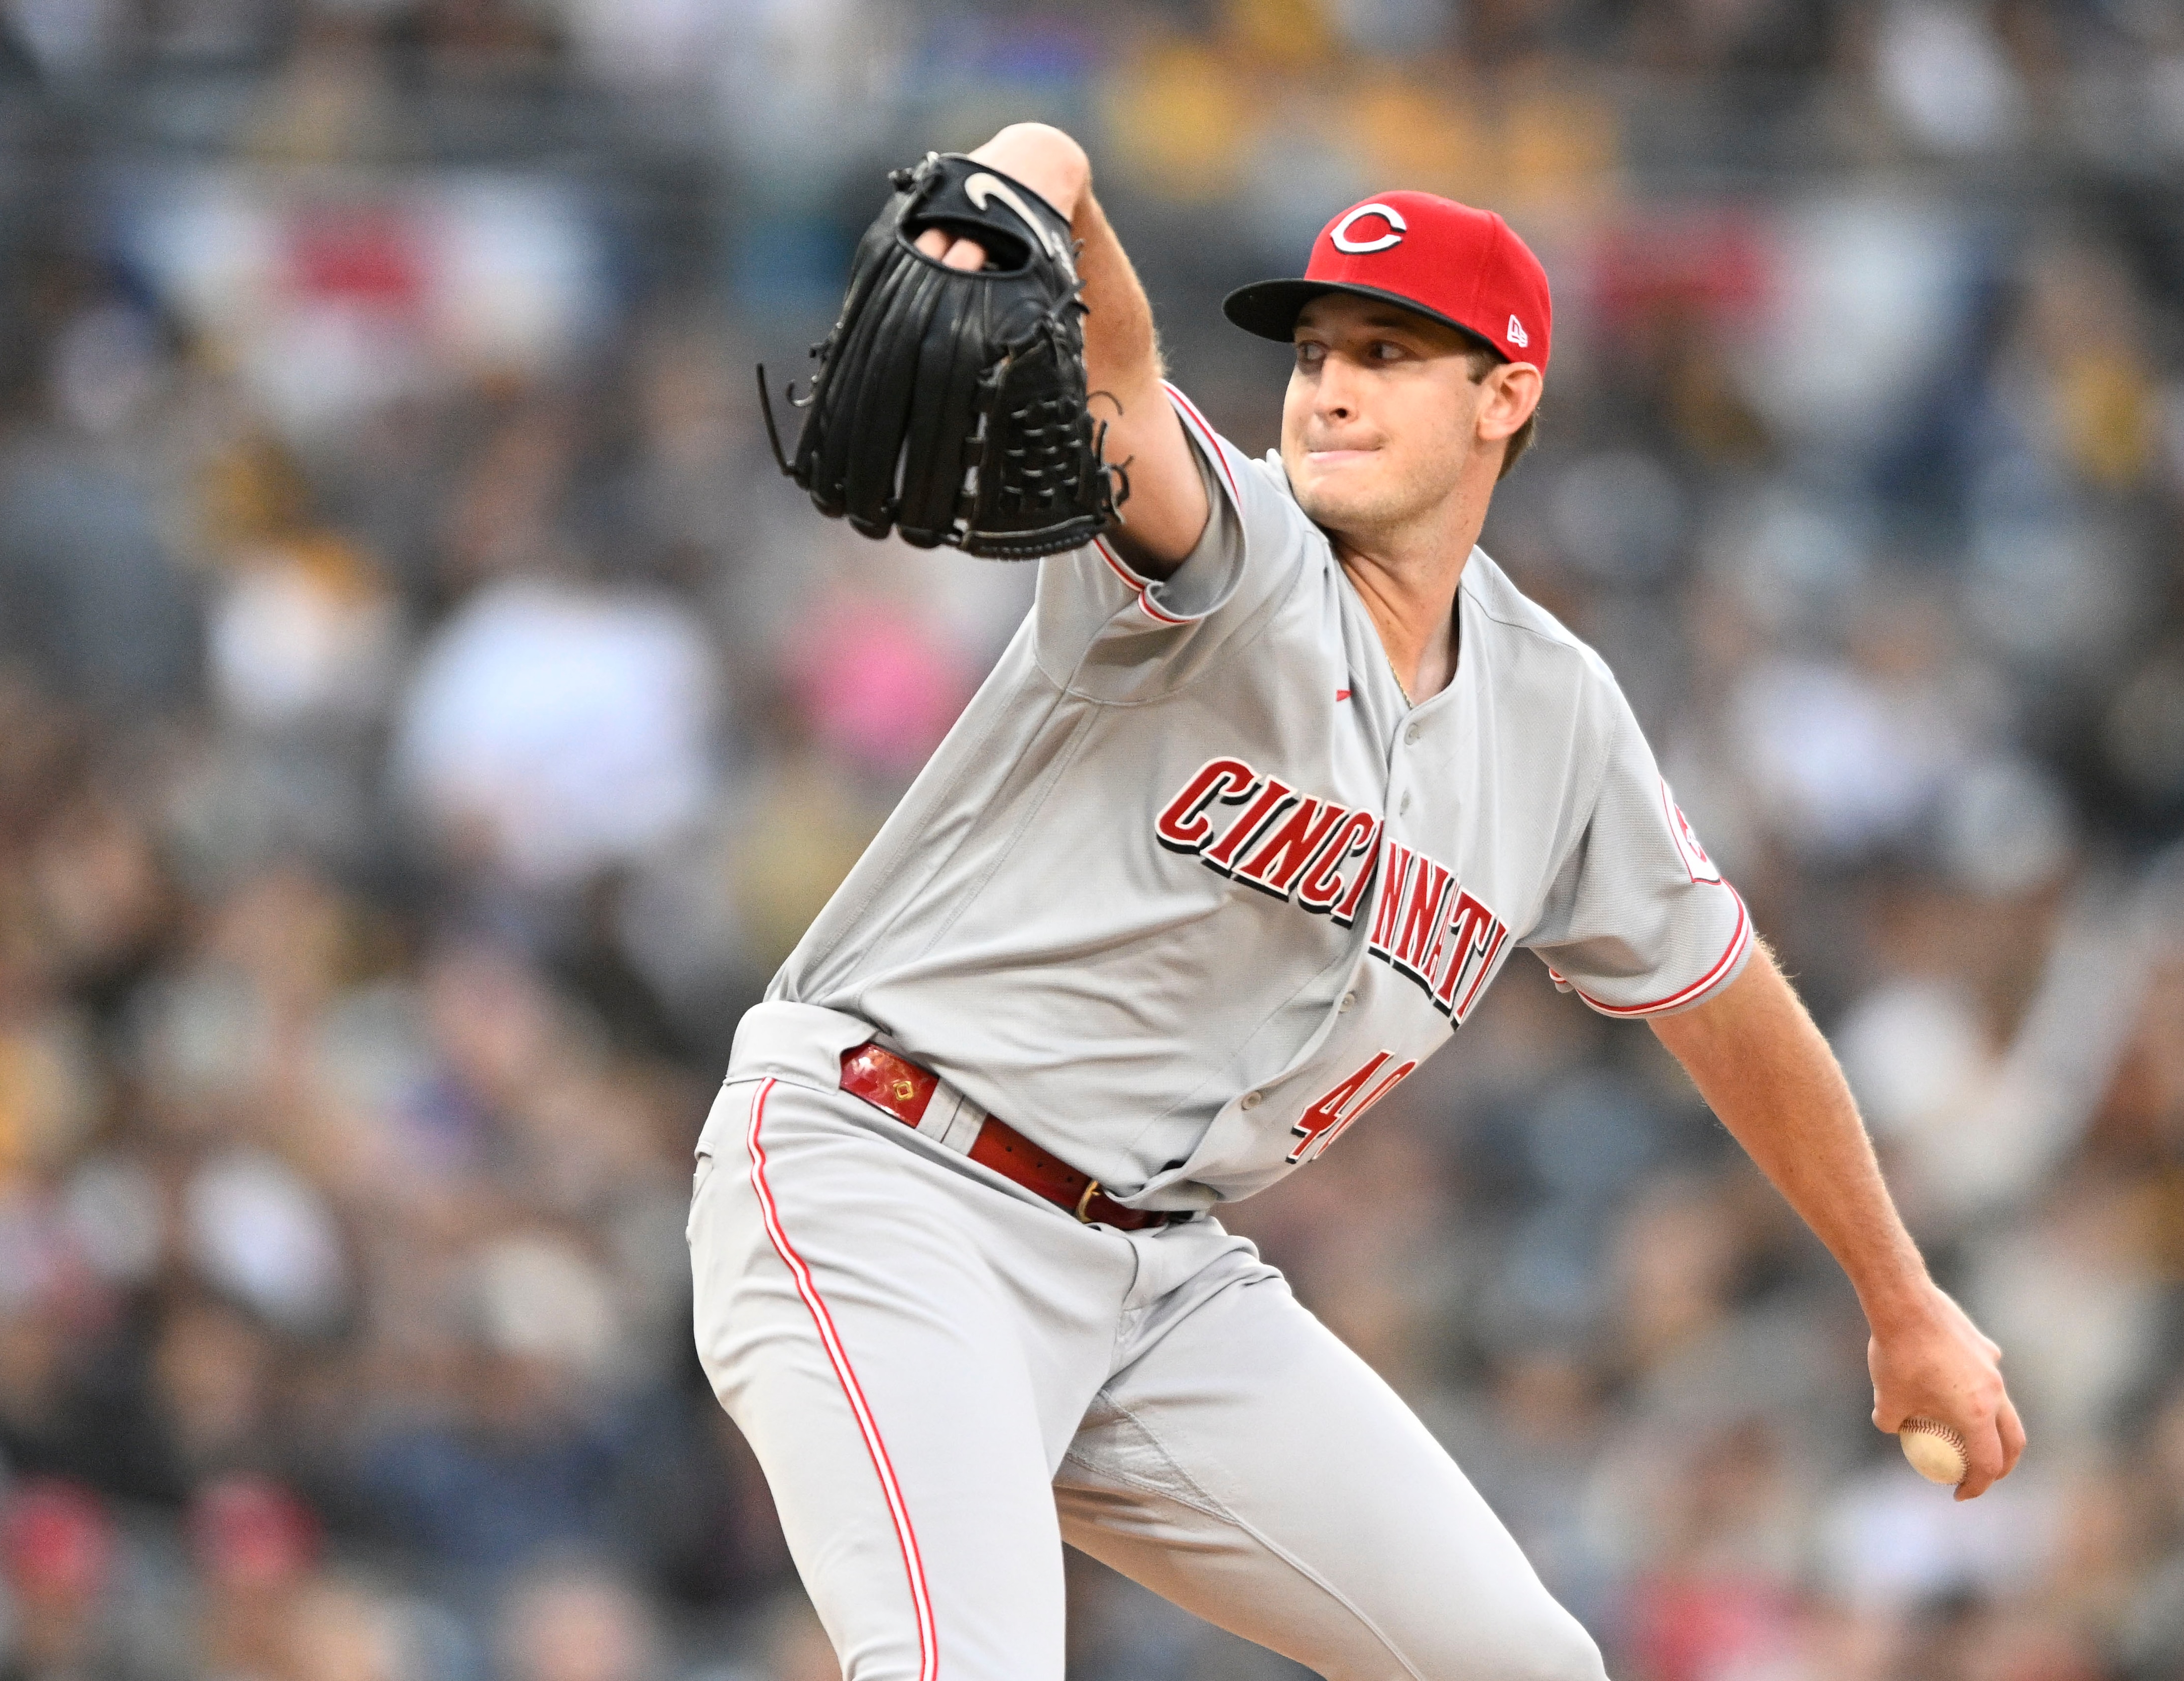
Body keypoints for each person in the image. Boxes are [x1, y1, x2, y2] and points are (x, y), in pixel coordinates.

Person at [687, 121, 2023, 1681]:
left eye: (1388, 353)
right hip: (890, 1180)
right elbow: (1116, 388)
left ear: (1505, 397)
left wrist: (1900, 1293)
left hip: (1159, 1277)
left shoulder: (1555, 716)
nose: (1327, 385)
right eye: (1317, 348)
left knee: (1527, 1669)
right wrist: (1050, 165)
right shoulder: (1232, 555)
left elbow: (1725, 1000)